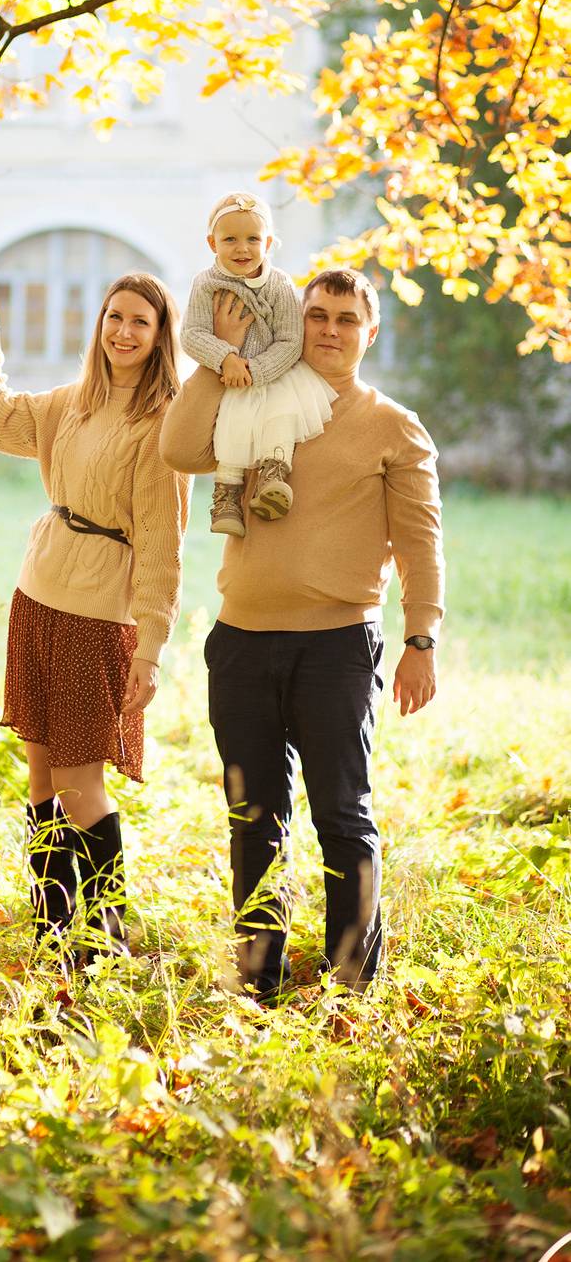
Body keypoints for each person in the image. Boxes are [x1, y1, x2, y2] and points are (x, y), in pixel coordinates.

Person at [161, 269, 444, 999]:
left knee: (342, 816)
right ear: (298, 320)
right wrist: (218, 354)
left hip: (336, 647)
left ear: (369, 333)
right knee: (253, 818)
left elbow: (420, 543)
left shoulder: (392, 425)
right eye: (317, 315)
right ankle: (259, 981)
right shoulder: (254, 398)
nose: (329, 330)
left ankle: (353, 983)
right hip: (241, 641)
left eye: (346, 320)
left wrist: (420, 640)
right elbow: (179, 448)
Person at [0, 273, 190, 957]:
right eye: (114, 317)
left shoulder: (162, 426)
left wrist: (150, 647)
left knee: (78, 781)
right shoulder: (71, 403)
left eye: (139, 322)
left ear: (160, 336)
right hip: (37, 597)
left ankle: (106, 935)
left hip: (99, 615)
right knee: (40, 774)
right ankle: (52, 930)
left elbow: (162, 545)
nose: (123, 331)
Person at [181, 191, 337, 536]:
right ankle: (227, 495)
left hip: (274, 373)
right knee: (232, 420)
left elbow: (291, 339)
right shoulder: (205, 284)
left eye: (253, 239)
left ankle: (273, 475)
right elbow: (192, 334)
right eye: (230, 240)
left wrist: (258, 370)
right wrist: (225, 358)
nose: (242, 249)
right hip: (231, 376)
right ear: (212, 243)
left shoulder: (279, 284)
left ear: (267, 243)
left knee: (280, 415)